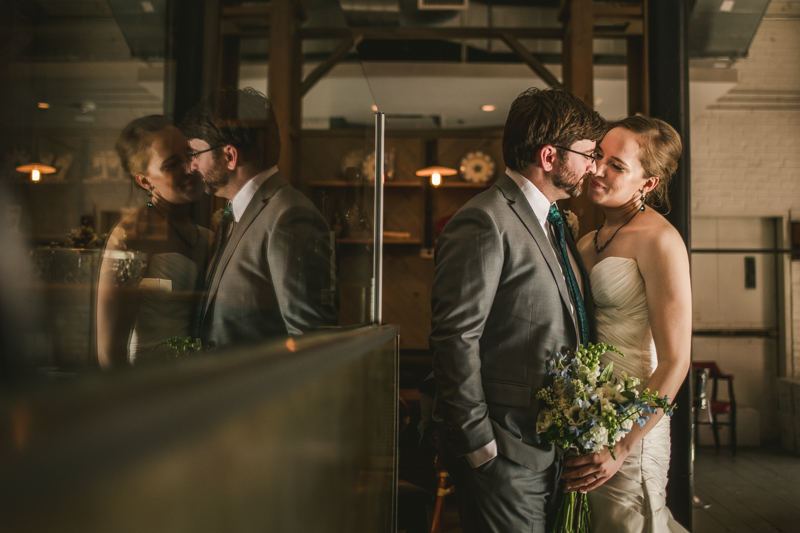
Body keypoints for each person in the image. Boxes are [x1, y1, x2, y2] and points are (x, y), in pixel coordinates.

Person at [428, 87, 606, 533]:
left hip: (554, 450)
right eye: (586, 154)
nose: (593, 166)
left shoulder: (554, 223)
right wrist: (481, 447)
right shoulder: (485, 219)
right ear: (549, 156)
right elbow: (455, 338)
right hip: (505, 452)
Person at [561, 116, 691, 533]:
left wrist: (621, 445)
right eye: (597, 155)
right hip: (586, 414)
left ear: (647, 184)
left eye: (617, 165)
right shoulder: (587, 240)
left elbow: (675, 362)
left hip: (633, 427)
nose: (597, 169)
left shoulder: (660, 240)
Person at [180, 88, 337, 349]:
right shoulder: (235, 214)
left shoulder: (289, 218)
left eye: (195, 154)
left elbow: (309, 342)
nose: (191, 166)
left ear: (229, 156)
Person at [96, 115, 211, 368]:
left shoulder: (208, 236)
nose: (190, 167)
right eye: (171, 164)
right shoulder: (131, 237)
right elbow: (109, 353)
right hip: (150, 383)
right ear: (144, 181)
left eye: (190, 155)